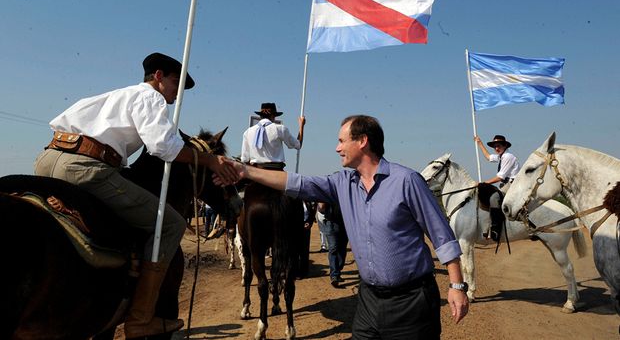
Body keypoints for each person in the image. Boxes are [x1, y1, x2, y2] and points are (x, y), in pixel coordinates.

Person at [34, 52, 239, 338]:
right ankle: (141, 319)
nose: (175, 94)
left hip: (47, 160)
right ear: (158, 76)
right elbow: (162, 147)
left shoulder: (109, 97)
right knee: (171, 225)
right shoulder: (150, 97)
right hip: (85, 169)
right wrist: (208, 161)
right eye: (175, 83)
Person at [217, 115, 469, 339]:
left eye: (341, 141)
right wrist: (245, 171)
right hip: (369, 300)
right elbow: (296, 182)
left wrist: (457, 286)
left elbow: (442, 236)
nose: (337, 148)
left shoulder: (407, 181)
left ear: (362, 141)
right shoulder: (342, 183)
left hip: (411, 302)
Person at [474, 134, 520, 241]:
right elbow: (489, 157)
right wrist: (480, 143)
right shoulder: (501, 156)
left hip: (513, 185)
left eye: (498, 146)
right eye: (494, 146)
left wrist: (482, 183)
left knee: (494, 198)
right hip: (505, 185)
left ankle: (496, 229)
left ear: (505, 146)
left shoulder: (508, 157)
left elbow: (500, 177)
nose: (496, 148)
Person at [240, 102, 305, 169]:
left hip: (256, 171)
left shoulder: (247, 132)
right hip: (275, 171)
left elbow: (245, 159)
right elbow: (298, 145)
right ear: (273, 116)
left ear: (260, 116)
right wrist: (301, 126)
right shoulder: (280, 129)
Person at [317, 201, 348, 288]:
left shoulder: (345, 190)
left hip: (345, 223)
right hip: (331, 222)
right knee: (333, 248)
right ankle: (334, 275)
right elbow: (321, 206)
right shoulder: (328, 189)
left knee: (342, 248)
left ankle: (337, 271)